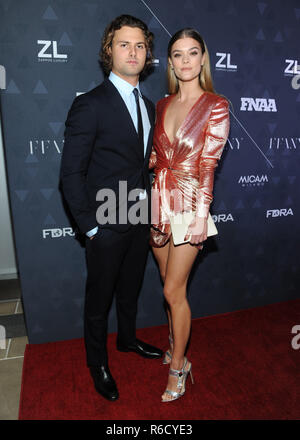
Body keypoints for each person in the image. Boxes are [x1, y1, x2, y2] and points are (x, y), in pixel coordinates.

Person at [60, 14, 163, 402]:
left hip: (138, 217)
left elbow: (142, 166)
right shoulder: (90, 104)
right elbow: (70, 174)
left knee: (130, 289)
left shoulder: (150, 106)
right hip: (104, 221)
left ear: (148, 53)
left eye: (140, 45)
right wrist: (90, 228)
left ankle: (128, 340)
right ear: (109, 51)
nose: (133, 52)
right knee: (99, 299)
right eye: (124, 44)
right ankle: (97, 362)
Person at [149, 28, 230, 402]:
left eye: (192, 53)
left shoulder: (216, 104)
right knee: (168, 285)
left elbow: (208, 164)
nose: (185, 60)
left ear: (202, 59)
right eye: (178, 54)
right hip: (159, 201)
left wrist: (202, 215)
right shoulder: (162, 104)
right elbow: (156, 158)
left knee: (172, 290)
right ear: (170, 62)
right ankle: (172, 342)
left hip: (190, 204)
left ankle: (178, 365)